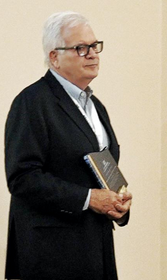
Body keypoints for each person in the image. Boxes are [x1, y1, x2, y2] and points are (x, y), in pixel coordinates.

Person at [4, 11, 132, 280]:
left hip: (96, 247)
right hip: (51, 252)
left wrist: (116, 202)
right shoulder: (32, 102)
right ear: (54, 57)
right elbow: (23, 178)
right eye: (80, 48)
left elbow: (101, 167)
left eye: (95, 46)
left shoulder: (96, 107)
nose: (93, 54)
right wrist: (88, 198)